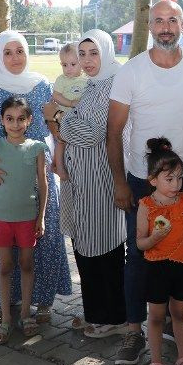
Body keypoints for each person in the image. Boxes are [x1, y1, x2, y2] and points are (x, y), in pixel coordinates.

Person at [107, 0, 183, 365]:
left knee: (180, 253)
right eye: (158, 21)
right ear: (149, 27)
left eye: (172, 20)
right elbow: (113, 132)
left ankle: (175, 325)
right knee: (140, 256)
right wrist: (120, 183)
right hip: (141, 182)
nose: (165, 27)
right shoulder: (132, 71)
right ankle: (135, 331)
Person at [0, 30, 71, 327]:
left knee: (40, 239)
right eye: (8, 52)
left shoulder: (41, 85)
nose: (15, 58)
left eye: (20, 51)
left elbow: (53, 128)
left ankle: (41, 300)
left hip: (35, 174)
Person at [43, 30, 128, 338]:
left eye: (94, 53)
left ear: (106, 52)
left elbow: (90, 134)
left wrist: (56, 115)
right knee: (88, 247)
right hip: (83, 179)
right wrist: (64, 119)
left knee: (102, 249)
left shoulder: (112, 85)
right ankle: (97, 312)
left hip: (99, 181)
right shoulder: (94, 84)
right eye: (83, 54)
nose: (88, 60)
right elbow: (79, 126)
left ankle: (114, 318)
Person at [136, 138, 183, 365]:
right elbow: (140, 244)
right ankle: (155, 363)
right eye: (169, 179)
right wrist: (154, 238)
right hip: (156, 267)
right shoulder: (146, 206)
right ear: (152, 179)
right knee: (155, 317)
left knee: (180, 312)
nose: (176, 184)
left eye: (178, 177)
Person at [0, 96, 48, 344]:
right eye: (9, 119)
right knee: (5, 266)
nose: (15, 124)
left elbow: (43, 185)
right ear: (2, 120)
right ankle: (6, 318)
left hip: (27, 218)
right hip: (1, 217)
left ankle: (25, 313)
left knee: (27, 263)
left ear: (29, 121)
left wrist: (40, 218)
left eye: (21, 119)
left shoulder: (36, 148)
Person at [51, 43, 88, 182]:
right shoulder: (62, 80)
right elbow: (56, 96)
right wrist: (70, 103)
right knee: (61, 141)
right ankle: (59, 167)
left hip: (81, 120)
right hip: (64, 117)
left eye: (73, 64)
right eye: (64, 65)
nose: (68, 69)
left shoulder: (87, 79)